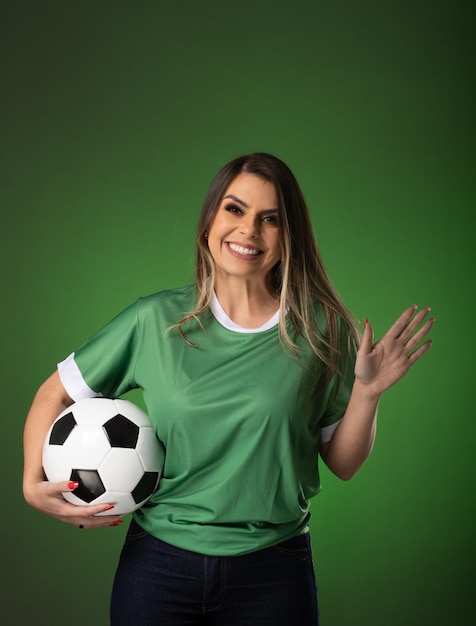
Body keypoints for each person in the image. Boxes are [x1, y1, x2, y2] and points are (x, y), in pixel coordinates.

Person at [23, 153, 434, 625]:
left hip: (274, 570)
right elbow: (53, 394)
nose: (249, 231)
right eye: (234, 210)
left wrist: (367, 392)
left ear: (288, 236)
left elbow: (342, 464)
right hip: (159, 566)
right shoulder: (154, 321)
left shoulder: (322, 330)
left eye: (270, 219)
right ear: (208, 223)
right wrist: (32, 484)